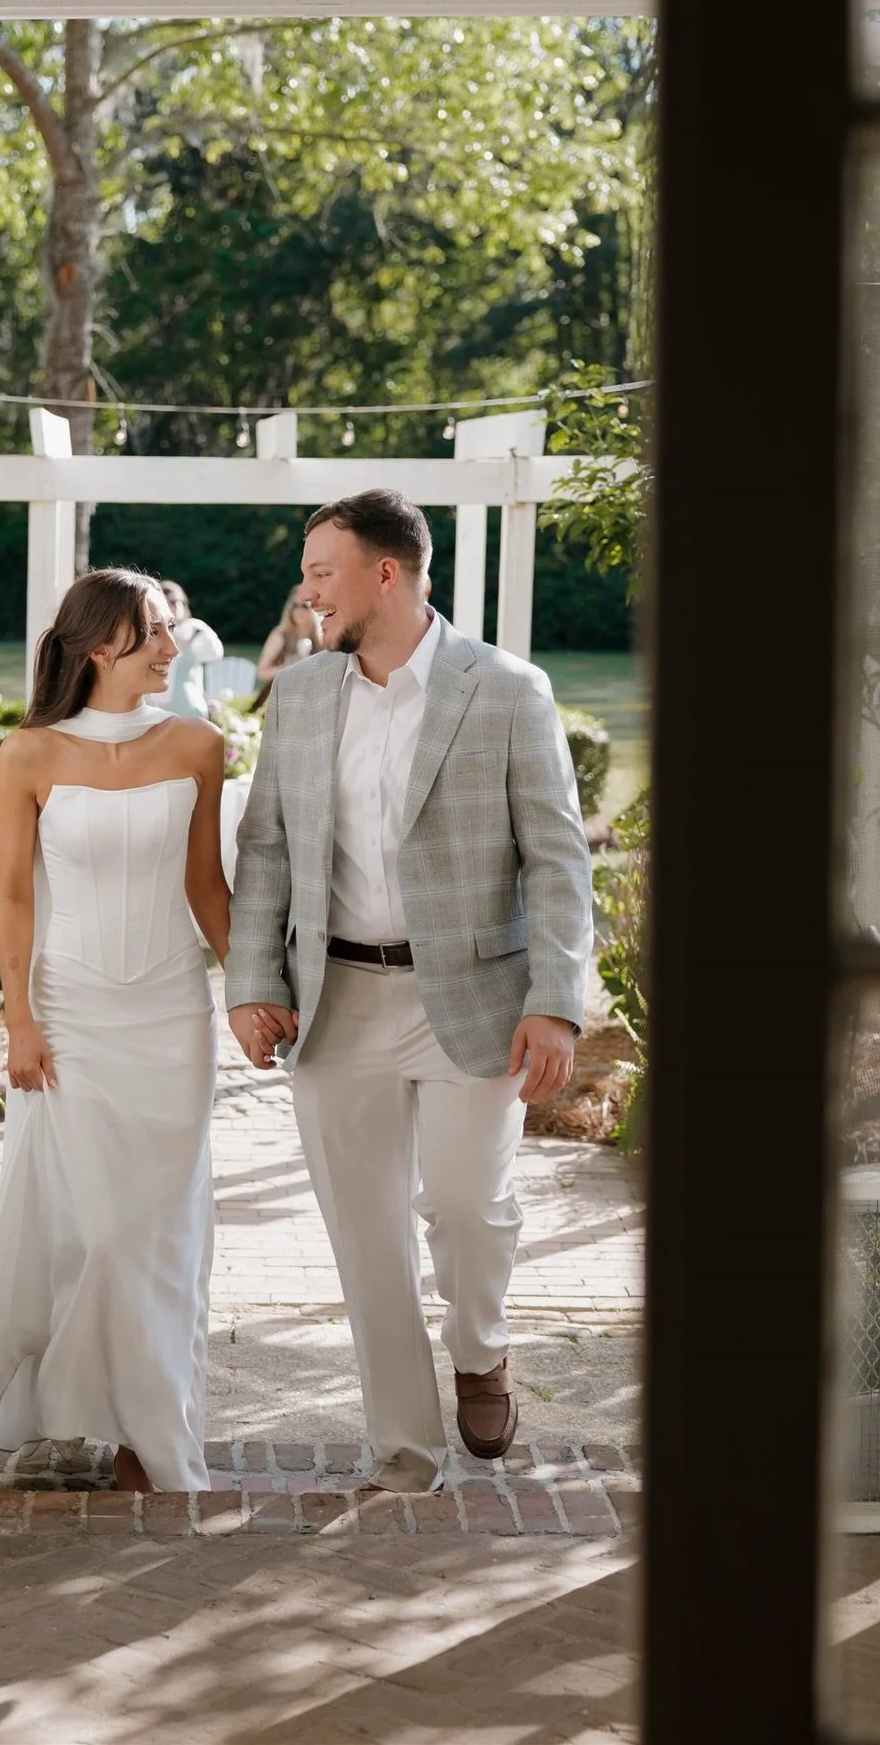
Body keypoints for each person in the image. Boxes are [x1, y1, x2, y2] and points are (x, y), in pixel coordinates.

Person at [224, 489, 592, 1491]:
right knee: (366, 1232)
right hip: (335, 996)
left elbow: (558, 861)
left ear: (387, 573)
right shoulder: (299, 698)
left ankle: (480, 1346)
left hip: (476, 995)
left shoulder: (509, 690)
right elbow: (266, 850)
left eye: (321, 573)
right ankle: (402, 1448)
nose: (307, 594)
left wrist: (556, 997)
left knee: (469, 1202)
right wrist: (250, 981)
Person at [0, 569, 231, 1493]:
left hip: (173, 1013)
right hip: (71, 1015)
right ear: (101, 644)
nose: (171, 646)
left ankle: (153, 1428)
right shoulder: (30, 753)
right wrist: (17, 1019)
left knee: (162, 1231)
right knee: (95, 1231)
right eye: (155, 631)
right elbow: (15, 896)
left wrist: (258, 993)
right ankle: (67, 1409)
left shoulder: (199, 747)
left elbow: (206, 889)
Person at [160, 579, 224, 718]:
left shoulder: (194, 627)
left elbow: (216, 653)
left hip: (189, 703)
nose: (177, 606)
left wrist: (191, 640)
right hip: (157, 702)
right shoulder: (153, 630)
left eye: (181, 602)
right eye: (171, 601)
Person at [251, 586, 322, 709]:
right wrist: (288, 666)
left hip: (315, 700)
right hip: (284, 701)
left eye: (305, 606)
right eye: (295, 606)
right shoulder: (280, 635)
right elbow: (262, 672)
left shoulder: (322, 639)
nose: (299, 610)